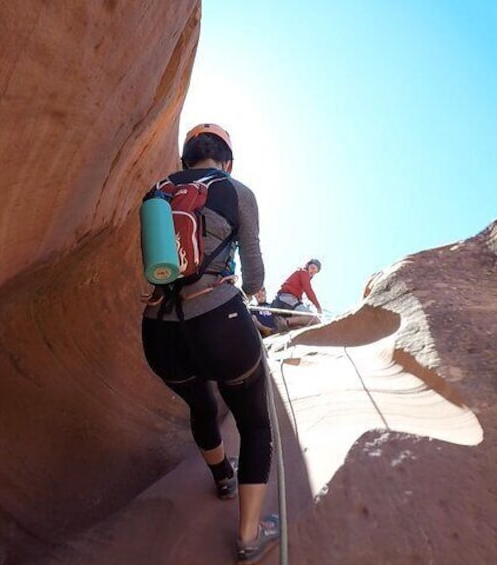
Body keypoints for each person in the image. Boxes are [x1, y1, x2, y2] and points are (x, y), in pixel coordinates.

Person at [141, 123, 280, 564]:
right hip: (219, 318)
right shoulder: (236, 190)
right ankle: (249, 535)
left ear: (186, 160)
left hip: (159, 331)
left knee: (201, 406)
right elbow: (254, 272)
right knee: (255, 424)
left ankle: (222, 477)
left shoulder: (156, 192)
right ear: (226, 161)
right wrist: (256, 294)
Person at [272, 259, 323, 328]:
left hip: (282, 302)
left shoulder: (300, 276)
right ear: (307, 266)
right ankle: (285, 321)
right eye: (312, 268)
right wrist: (318, 307)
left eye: (315, 272)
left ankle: (287, 325)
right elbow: (308, 290)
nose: (312, 272)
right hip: (286, 299)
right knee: (315, 320)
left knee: (302, 325)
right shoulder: (303, 272)